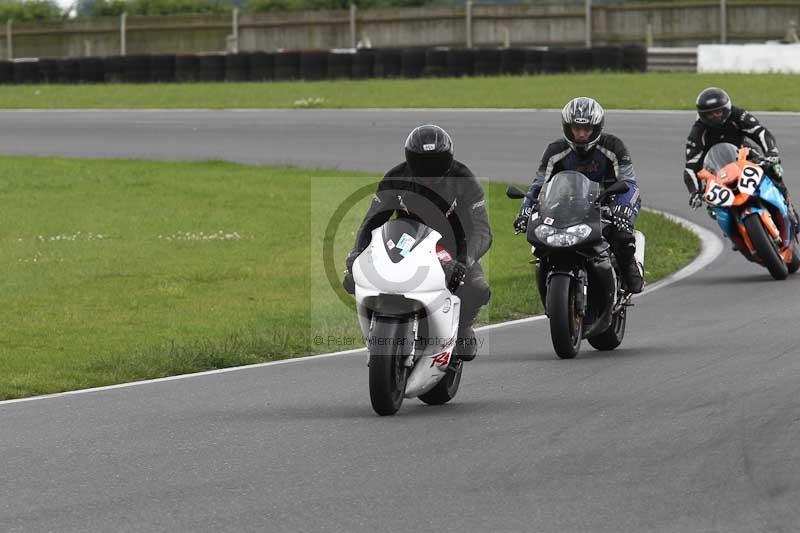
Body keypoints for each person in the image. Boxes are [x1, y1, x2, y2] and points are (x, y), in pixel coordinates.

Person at [342, 124, 492, 362]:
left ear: (448, 160)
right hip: (405, 241)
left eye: (435, 163)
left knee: (478, 288)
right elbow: (373, 219)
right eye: (422, 164)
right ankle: (380, 331)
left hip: (453, 246)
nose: (428, 172)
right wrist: (356, 253)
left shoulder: (464, 179)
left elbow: (482, 230)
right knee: (352, 279)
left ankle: (462, 327)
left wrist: (464, 261)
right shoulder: (395, 177)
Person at [513, 96, 644, 294]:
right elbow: (538, 186)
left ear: (596, 127)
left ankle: (629, 269)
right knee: (543, 243)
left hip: (609, 202)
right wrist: (524, 211)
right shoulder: (555, 150)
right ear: (567, 127)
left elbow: (629, 183)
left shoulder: (614, 146)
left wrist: (623, 208)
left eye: (587, 129)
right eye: (576, 128)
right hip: (569, 204)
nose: (581, 134)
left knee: (621, 234)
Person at [684, 87, 798, 227]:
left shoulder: (738, 115)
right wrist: (695, 192)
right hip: (717, 169)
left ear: (726, 108)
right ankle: (732, 227)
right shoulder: (697, 132)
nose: (715, 116)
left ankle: (788, 206)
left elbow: (761, 133)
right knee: (712, 204)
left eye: (718, 111)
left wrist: (771, 153)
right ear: (702, 115)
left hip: (744, 155)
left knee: (773, 169)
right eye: (710, 114)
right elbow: (690, 168)